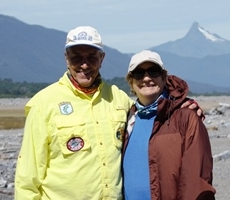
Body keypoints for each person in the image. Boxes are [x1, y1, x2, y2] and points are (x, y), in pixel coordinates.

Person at [14, 26, 202, 200]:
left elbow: (151, 102)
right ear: (66, 58)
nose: (84, 65)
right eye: (76, 57)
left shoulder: (118, 98)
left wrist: (182, 104)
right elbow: (28, 176)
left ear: (102, 58)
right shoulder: (43, 103)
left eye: (92, 57)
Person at [123, 50, 215, 200]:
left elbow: (197, 181)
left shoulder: (186, 117)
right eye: (139, 73)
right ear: (131, 82)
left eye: (153, 71)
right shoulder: (127, 118)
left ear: (164, 77)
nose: (146, 78)